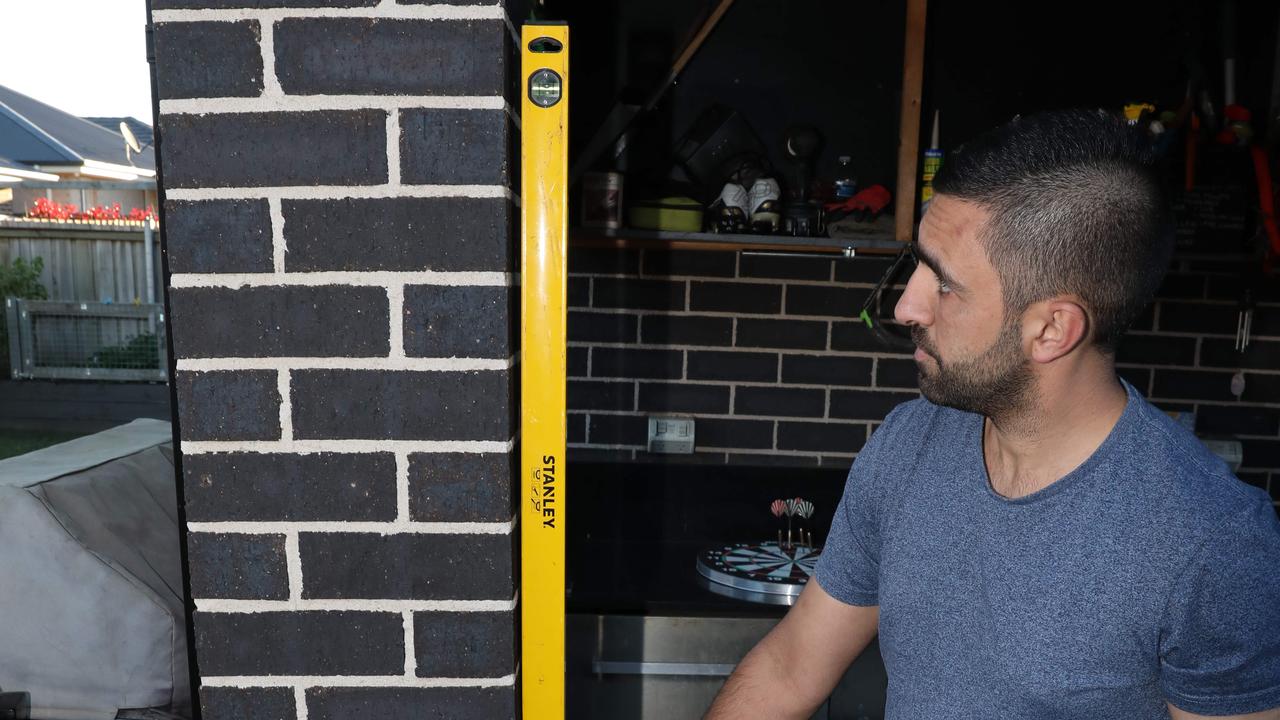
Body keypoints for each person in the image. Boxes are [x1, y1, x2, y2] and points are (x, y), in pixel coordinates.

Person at [705, 109, 1280, 720]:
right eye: (917, 263)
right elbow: (790, 669)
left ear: (1053, 329)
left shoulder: (1215, 543)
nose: (906, 306)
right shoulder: (908, 445)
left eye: (945, 283)